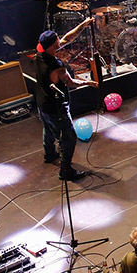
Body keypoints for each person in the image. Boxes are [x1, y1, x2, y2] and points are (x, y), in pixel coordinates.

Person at [34, 23, 98, 181]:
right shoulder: (56, 67)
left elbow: (67, 38)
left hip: (42, 104)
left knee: (48, 129)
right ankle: (66, 169)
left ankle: (49, 155)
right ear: (53, 45)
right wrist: (88, 83)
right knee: (68, 137)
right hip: (57, 107)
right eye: (57, 40)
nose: (60, 40)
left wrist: (83, 25)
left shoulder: (39, 55)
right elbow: (71, 82)